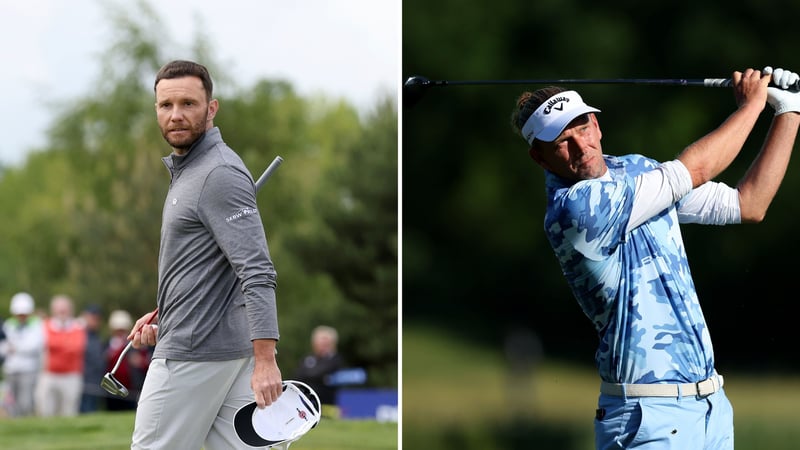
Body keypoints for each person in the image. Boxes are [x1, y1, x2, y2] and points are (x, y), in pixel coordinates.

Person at [509, 66, 800, 450]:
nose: (580, 145)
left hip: (710, 409)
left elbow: (748, 203)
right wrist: (752, 106)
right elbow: (693, 169)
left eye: (582, 128)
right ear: (540, 158)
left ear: (596, 125)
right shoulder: (574, 211)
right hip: (647, 418)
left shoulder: (635, 169)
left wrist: (789, 111)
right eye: (563, 141)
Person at [128, 60, 282, 449]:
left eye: (188, 103)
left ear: (211, 108)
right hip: (215, 349)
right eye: (166, 105)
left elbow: (257, 271)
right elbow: (210, 267)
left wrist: (266, 359)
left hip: (195, 358)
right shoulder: (192, 171)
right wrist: (169, 313)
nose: (176, 115)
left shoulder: (218, 174)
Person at [36, 294, 87, 417]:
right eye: (59, 309)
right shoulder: (45, 325)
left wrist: (56, 345)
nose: (62, 312)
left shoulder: (78, 327)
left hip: (71, 376)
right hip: (50, 374)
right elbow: (47, 343)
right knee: (46, 410)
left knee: (69, 411)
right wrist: (65, 344)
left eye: (65, 309)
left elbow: (77, 347)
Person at [1, 292, 44, 417]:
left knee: (25, 402)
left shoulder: (36, 324)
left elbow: (33, 346)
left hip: (28, 370)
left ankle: (25, 423)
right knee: (11, 402)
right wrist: (13, 348)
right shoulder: (8, 325)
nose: (21, 316)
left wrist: (15, 348)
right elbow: (3, 348)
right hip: (11, 369)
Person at [105, 309, 150, 411]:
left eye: (122, 330)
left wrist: (140, 362)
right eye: (118, 330)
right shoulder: (108, 345)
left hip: (132, 387)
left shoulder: (136, 344)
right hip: (113, 387)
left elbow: (147, 362)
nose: (120, 333)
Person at [294, 325, 344, 405]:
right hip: (307, 401)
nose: (323, 346)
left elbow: (319, 372)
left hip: (327, 404)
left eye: (326, 343)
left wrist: (310, 375)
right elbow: (299, 376)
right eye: (320, 342)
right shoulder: (308, 358)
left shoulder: (335, 359)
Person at [79, 304, 105, 413]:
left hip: (95, 381)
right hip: (84, 382)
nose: (95, 321)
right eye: (92, 318)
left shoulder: (97, 337)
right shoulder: (79, 334)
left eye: (97, 319)